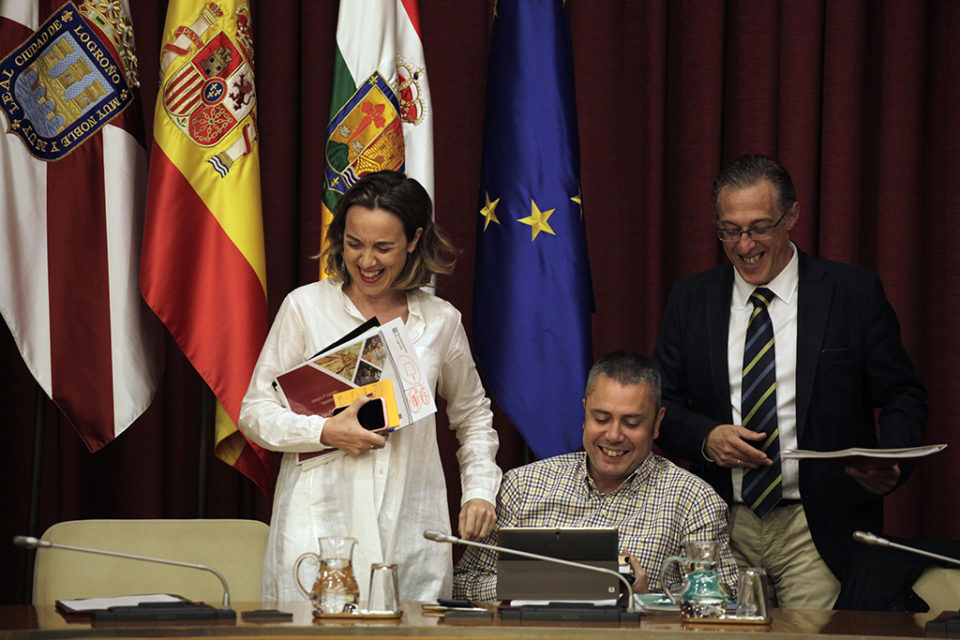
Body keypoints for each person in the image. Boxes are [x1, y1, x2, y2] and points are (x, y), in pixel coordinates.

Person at [653, 154, 927, 609]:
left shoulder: (851, 294)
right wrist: (706, 437)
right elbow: (662, 404)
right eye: (729, 230)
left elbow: (902, 394)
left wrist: (889, 462)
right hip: (722, 525)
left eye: (759, 227)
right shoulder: (691, 298)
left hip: (816, 527)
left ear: (792, 216)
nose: (744, 246)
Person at [239, 170, 502, 603]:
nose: (367, 261)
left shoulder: (440, 322)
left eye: (384, 247)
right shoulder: (305, 308)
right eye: (354, 244)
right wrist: (324, 432)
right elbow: (255, 411)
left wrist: (478, 492)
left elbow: (473, 417)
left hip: (410, 530)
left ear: (414, 240)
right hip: (317, 530)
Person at [453, 350, 737, 601]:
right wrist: (539, 583)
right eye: (601, 419)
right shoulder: (522, 486)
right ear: (585, 412)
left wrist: (646, 598)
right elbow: (464, 584)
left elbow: (724, 601)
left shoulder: (694, 500)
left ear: (657, 423)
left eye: (631, 422)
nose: (613, 435)